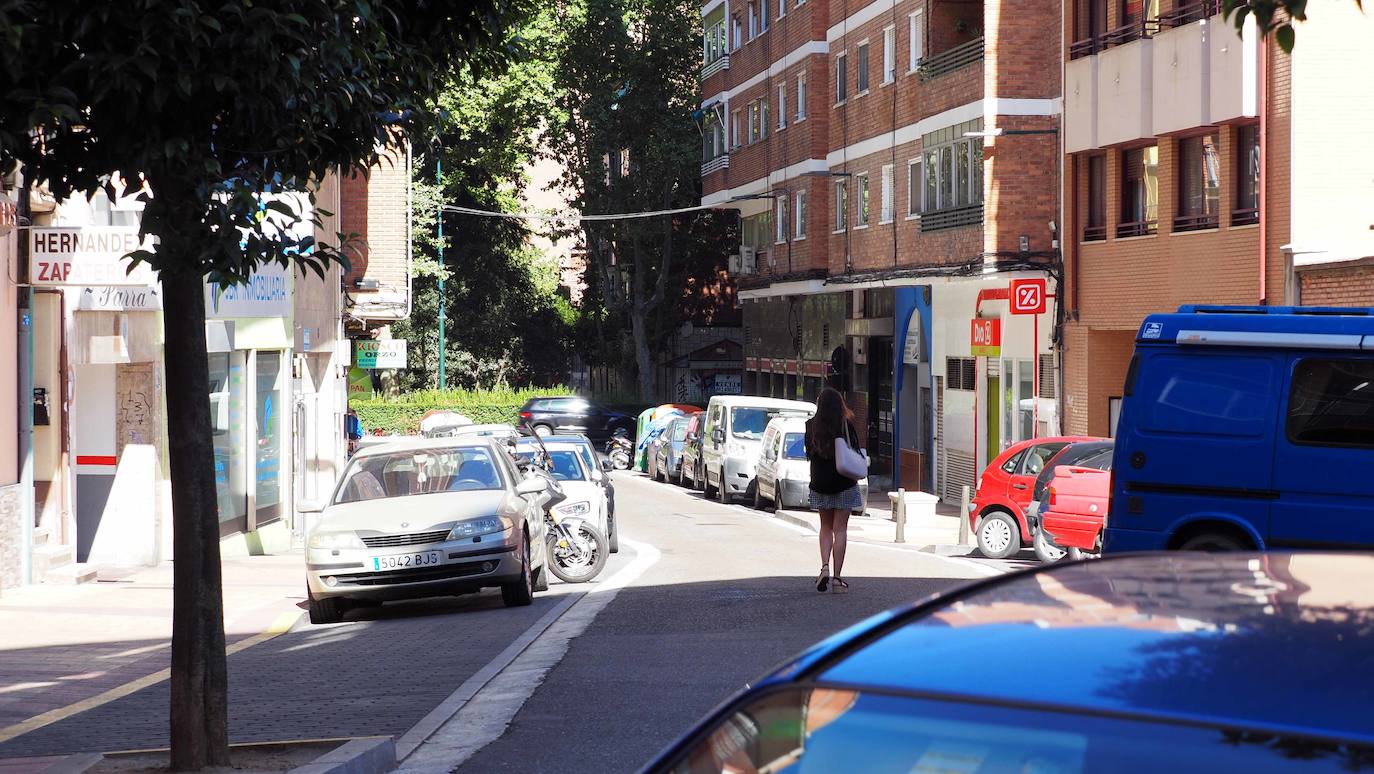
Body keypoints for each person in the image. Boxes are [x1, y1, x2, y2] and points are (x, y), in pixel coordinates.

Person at [804, 388, 864, 593]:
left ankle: (824, 567)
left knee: (825, 527)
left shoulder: (811, 426)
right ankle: (838, 579)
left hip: (820, 483)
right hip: (844, 482)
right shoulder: (845, 425)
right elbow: (855, 450)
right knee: (841, 529)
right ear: (840, 404)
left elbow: (809, 454)